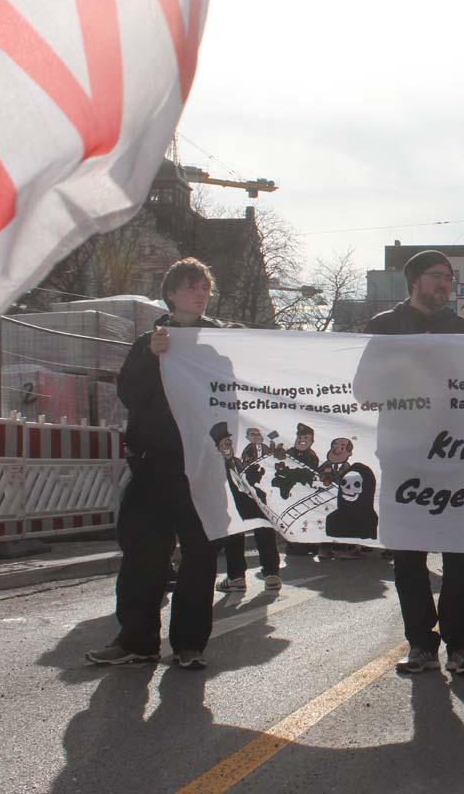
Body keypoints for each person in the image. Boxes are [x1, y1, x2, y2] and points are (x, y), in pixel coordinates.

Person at [87, 258, 236, 670]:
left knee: (199, 554)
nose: (199, 293)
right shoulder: (149, 342)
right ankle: (137, 640)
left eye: (204, 286)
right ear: (170, 293)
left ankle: (189, 644)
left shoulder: (222, 344)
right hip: (153, 464)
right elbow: (131, 395)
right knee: (142, 552)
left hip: (200, 465)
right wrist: (152, 358)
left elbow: (234, 399)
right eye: (191, 286)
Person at [362, 250, 464, 676]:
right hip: (404, 460)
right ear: (414, 281)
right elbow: (364, 390)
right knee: (409, 558)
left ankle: (461, 646)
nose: (446, 284)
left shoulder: (462, 330)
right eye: (437, 277)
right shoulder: (384, 328)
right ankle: (421, 645)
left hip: (461, 460)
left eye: (449, 277)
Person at [212, 422, 282, 593]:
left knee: (252, 525)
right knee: (249, 526)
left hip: (245, 491)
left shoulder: (235, 459)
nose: (226, 447)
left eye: (228, 443)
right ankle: (268, 573)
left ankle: (241, 576)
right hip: (245, 492)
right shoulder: (224, 461)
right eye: (223, 444)